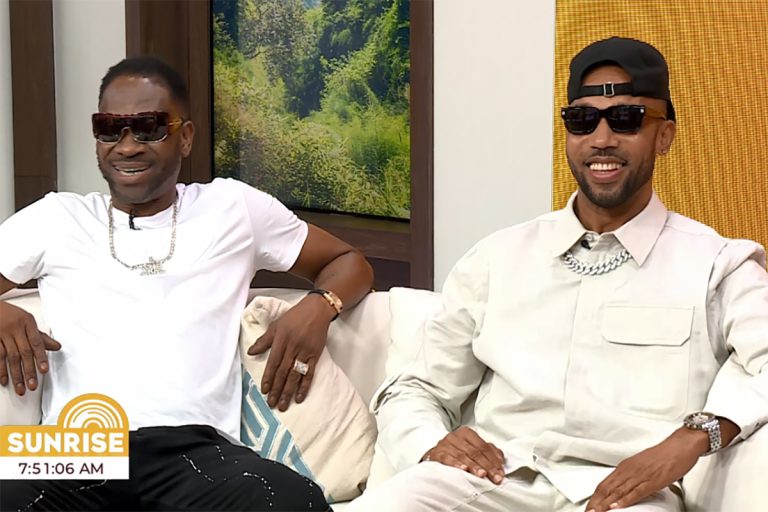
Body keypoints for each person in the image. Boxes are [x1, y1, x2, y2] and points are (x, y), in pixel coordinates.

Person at [348, 37, 768, 512]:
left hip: (626, 495)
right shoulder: (497, 259)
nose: (602, 138)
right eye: (582, 120)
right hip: (491, 481)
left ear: (664, 136)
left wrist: (692, 438)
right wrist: (431, 442)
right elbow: (415, 386)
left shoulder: (717, 265)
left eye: (626, 119)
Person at [0, 56, 373, 511]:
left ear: (186, 137)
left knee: (293, 500)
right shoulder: (58, 217)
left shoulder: (233, 208)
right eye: (109, 129)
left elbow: (348, 261)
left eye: (149, 128)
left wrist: (319, 307)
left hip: (195, 448)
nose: (127, 146)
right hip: (75, 449)